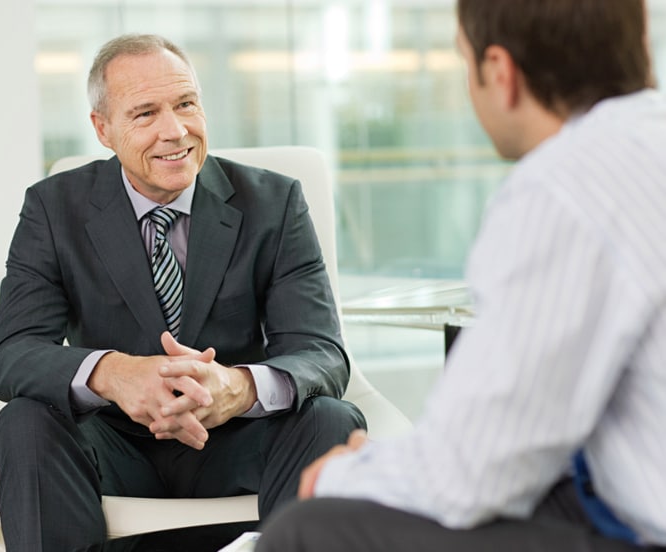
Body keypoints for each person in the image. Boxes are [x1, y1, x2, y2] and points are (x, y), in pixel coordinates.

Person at [256, 0, 666, 550]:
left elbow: (474, 470)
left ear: (500, 72)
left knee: (308, 529)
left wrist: (340, 475)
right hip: (619, 489)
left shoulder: (564, 186)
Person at [0, 33, 365, 552]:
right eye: (145, 113)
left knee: (331, 419)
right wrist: (113, 373)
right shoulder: (54, 209)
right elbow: (13, 354)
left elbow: (321, 352)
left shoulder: (275, 202)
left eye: (186, 104)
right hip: (112, 445)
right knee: (24, 421)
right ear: (103, 129)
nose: (176, 131)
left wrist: (238, 388)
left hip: (234, 442)